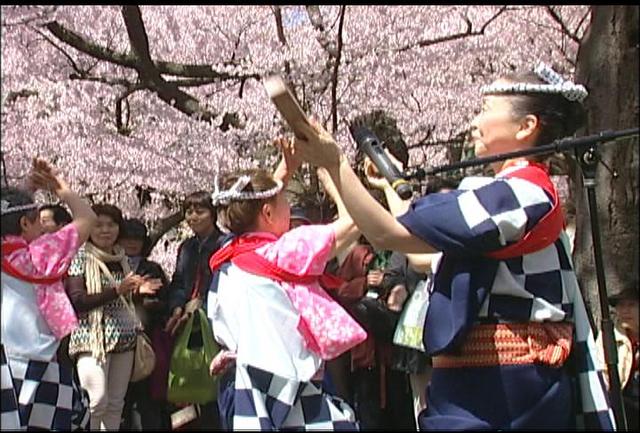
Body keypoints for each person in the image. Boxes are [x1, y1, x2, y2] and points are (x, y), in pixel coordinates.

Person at [293, 62, 615, 430]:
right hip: (485, 382)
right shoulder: (510, 194)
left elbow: (391, 234)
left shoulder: (521, 193)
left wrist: (334, 163)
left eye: (486, 109)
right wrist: (385, 186)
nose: (475, 121)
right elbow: (420, 252)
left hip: (505, 387)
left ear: (526, 126)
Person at [206, 138, 367, 430]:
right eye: (285, 203)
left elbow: (253, 209)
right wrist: (336, 182)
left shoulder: (227, 256)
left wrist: (284, 171)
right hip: (286, 387)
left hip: (242, 387)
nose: (290, 210)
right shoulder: (287, 251)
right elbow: (355, 221)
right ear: (267, 213)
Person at [1, 158, 97, 430]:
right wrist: (60, 187)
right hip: (40, 364)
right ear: (24, 222)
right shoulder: (41, 254)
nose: (42, 228)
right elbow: (87, 218)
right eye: (37, 221)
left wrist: (24, 192)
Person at [65, 204, 161, 431]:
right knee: (96, 399)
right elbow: (78, 300)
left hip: (124, 339)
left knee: (116, 404)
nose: (105, 230)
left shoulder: (122, 258)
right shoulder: (80, 255)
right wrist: (118, 289)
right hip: (91, 339)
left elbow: (124, 299)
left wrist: (137, 291)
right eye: (98, 225)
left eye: (111, 225)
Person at [119, 218, 172, 431]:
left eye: (137, 239)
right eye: (128, 238)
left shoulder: (152, 268)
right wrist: (137, 293)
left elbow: (163, 300)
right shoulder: (111, 265)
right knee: (120, 400)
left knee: (150, 398)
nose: (132, 244)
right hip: (118, 339)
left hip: (147, 338)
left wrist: (146, 302)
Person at [609, 286, 639, 430]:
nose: (625, 311)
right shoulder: (609, 336)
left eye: (631, 305)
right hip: (624, 404)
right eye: (621, 305)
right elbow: (603, 375)